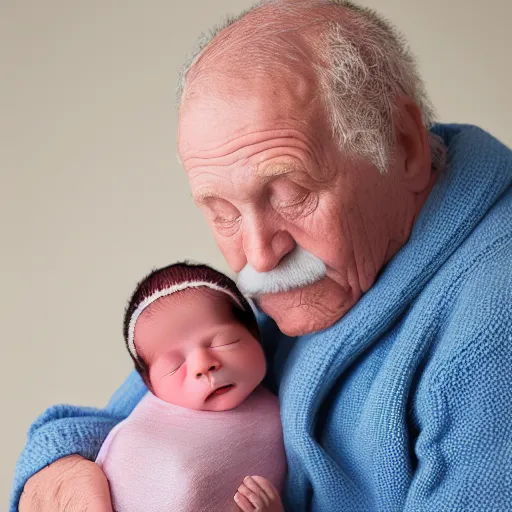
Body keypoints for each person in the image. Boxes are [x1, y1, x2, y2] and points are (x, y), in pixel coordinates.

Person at [13, 1, 512, 511]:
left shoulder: (496, 315)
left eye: (289, 192)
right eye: (223, 211)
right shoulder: (315, 274)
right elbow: (133, 414)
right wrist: (63, 468)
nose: (258, 255)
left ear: (403, 145)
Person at [96, 262, 286, 512]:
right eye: (175, 365)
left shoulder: (282, 408)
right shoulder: (139, 437)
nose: (203, 365)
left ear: (254, 334)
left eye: (224, 342)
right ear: (150, 386)